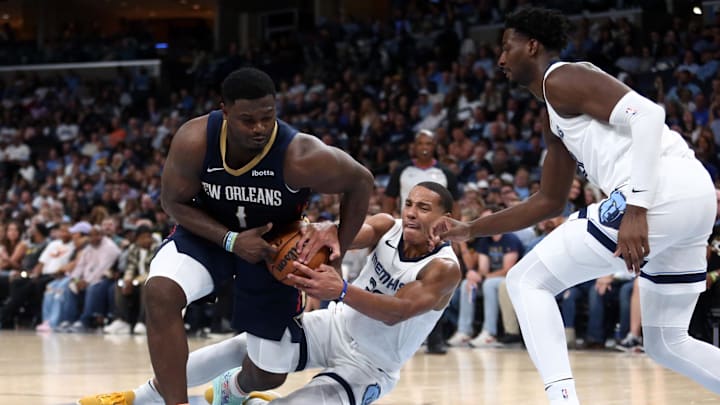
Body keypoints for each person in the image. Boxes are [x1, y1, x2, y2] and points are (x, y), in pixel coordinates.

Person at [431, 7, 720, 405]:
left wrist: (637, 208)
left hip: (659, 189)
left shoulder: (561, 78)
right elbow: (549, 201)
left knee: (525, 281)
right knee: (667, 341)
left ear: (531, 46)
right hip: (695, 196)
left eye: (506, 47)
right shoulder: (553, 116)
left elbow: (650, 115)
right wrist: (470, 228)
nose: (499, 59)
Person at [81, 67, 374, 405]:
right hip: (208, 236)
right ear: (225, 111)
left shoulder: (300, 155)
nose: (260, 128)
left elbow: (361, 181)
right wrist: (231, 240)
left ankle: (230, 391)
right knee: (160, 292)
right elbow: (172, 201)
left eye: (268, 116)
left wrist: (339, 239)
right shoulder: (195, 140)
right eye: (248, 120)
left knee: (269, 373)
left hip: (274, 250)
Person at [80, 182, 460, 405]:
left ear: (443, 218)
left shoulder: (444, 269)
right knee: (243, 347)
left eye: (423, 208)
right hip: (335, 327)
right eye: (409, 204)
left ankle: (220, 397)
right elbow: (346, 235)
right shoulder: (386, 225)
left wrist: (340, 289)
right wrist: (321, 232)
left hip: (371, 365)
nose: (411, 213)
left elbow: (397, 311)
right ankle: (138, 399)